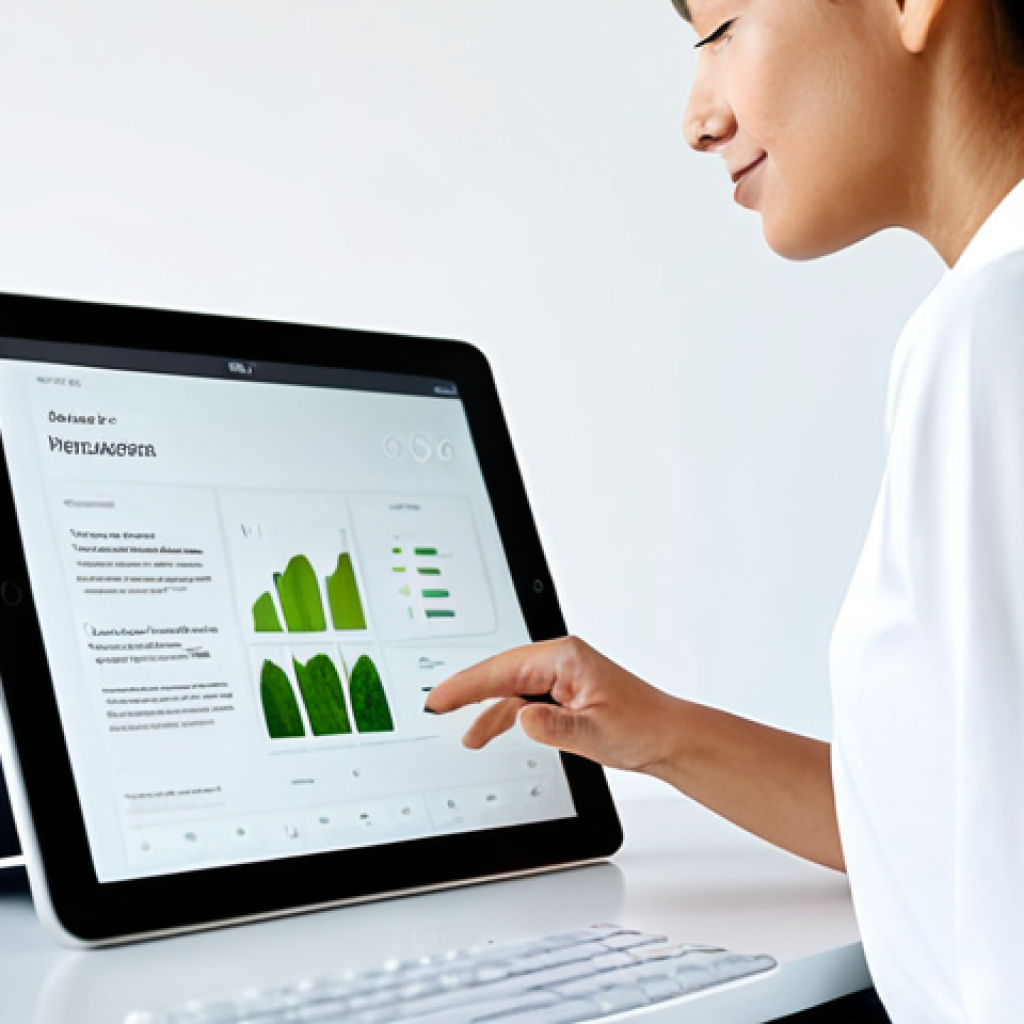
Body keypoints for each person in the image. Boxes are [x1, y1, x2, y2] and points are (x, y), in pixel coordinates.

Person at [425, 0, 1024, 1021]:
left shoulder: (986, 334)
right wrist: (659, 732)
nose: (697, 116)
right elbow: (962, 819)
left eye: (720, 31)